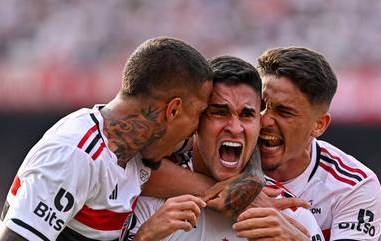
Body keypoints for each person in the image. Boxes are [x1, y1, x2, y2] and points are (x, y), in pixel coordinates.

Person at [0, 37, 214, 241]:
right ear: (174, 110)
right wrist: (143, 238)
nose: (196, 130)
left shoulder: (134, 147)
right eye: (199, 114)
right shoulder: (74, 155)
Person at [127, 56, 323, 241]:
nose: (235, 128)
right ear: (196, 121)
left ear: (259, 124)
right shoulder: (152, 206)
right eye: (220, 113)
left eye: (247, 115)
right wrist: (143, 238)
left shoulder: (289, 218)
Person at [249, 47, 381, 241]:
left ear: (319, 125)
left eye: (284, 112)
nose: (265, 120)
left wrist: (298, 239)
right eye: (260, 106)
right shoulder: (227, 154)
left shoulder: (354, 185)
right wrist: (238, 193)